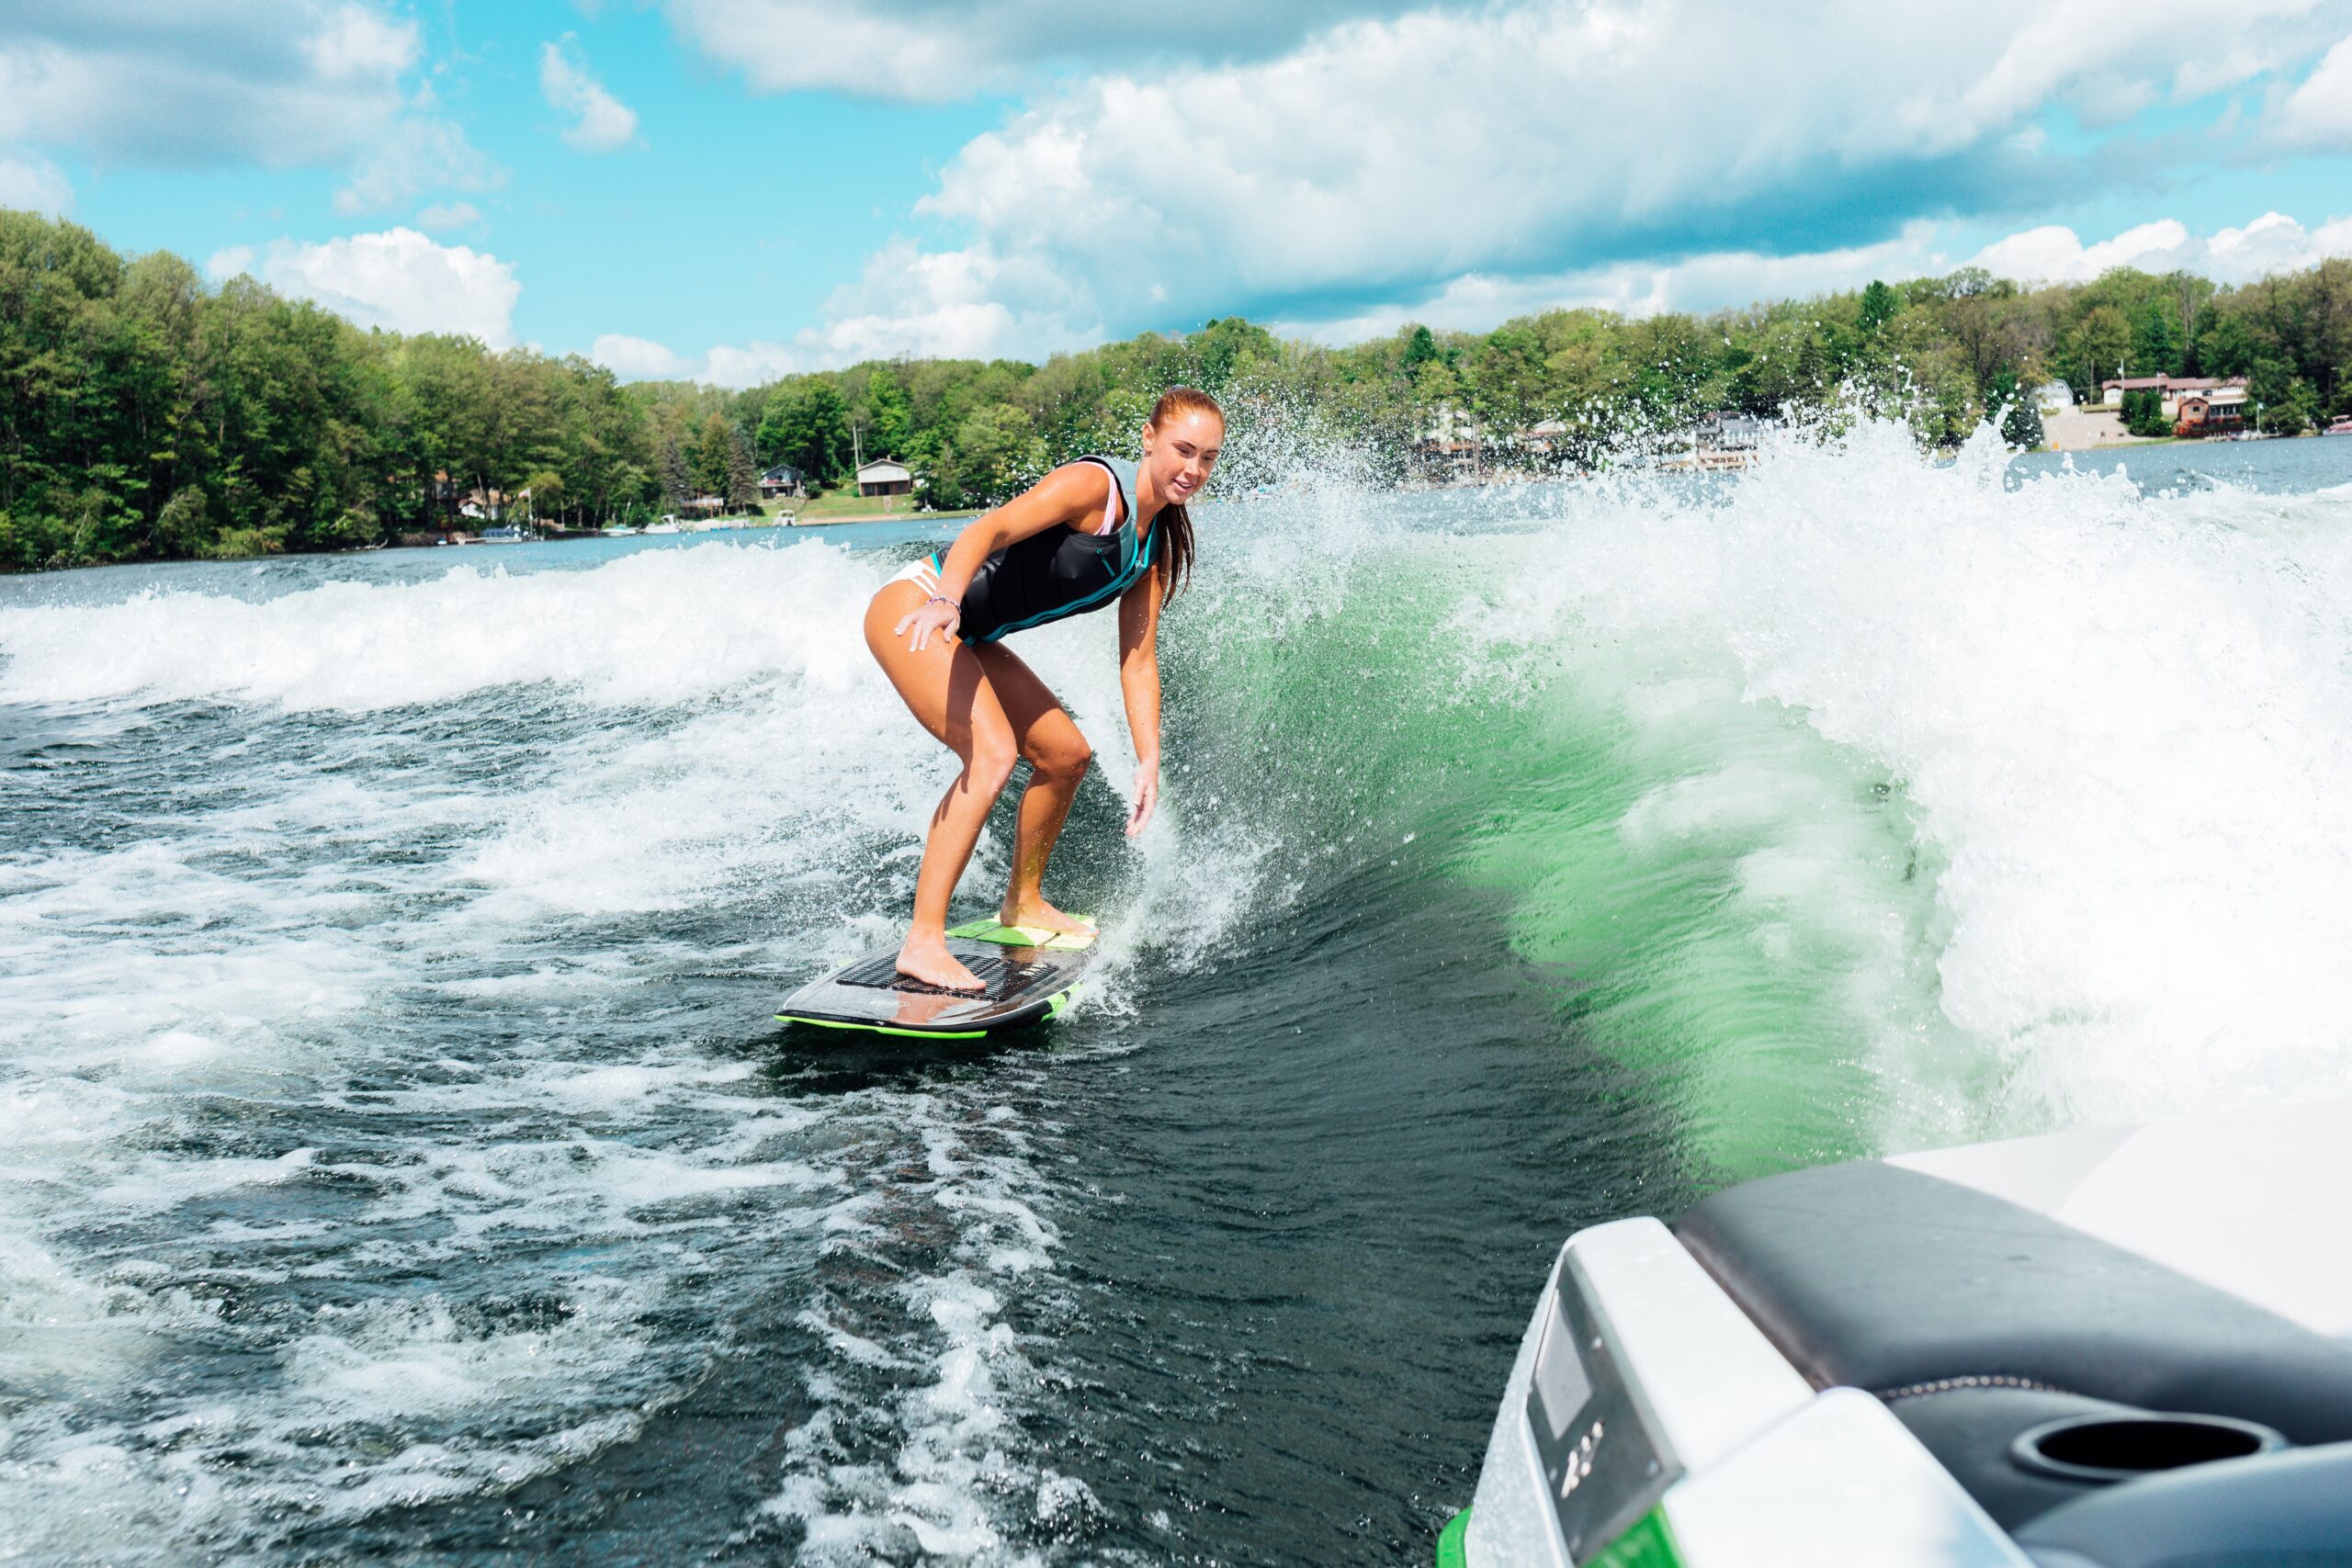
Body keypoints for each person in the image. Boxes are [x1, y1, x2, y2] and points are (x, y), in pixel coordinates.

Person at [864, 387, 1224, 991]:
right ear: (1148, 439)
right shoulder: (1096, 489)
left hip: (966, 632)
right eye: (1183, 449)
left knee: (1065, 755)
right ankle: (922, 941)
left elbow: (1137, 662)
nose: (1193, 468)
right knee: (994, 753)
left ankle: (1023, 904)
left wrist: (1149, 758)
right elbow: (989, 528)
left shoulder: (1151, 547)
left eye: (1208, 457)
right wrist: (946, 600)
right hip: (918, 605)